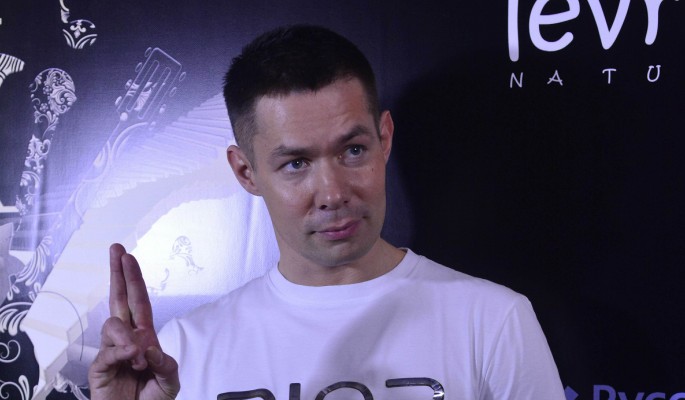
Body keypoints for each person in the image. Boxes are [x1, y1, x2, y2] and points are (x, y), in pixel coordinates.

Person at [88, 24, 566, 400]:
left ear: (384, 139)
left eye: (353, 150)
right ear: (246, 172)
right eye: (296, 164)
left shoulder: (492, 321)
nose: (333, 193)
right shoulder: (184, 351)